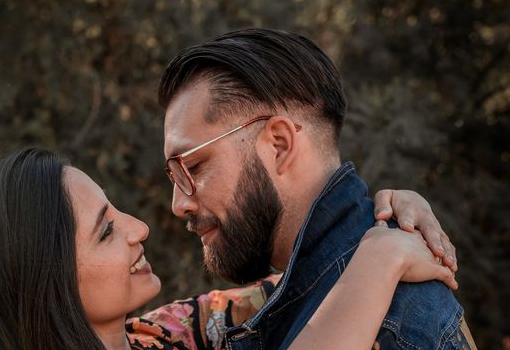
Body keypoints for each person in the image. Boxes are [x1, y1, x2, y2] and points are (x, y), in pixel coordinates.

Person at [0, 148, 459, 350]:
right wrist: (381, 259)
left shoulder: (166, 333)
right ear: (43, 280)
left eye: (116, 209)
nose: (140, 227)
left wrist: (389, 219)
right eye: (105, 231)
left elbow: (319, 283)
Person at [158, 28, 478, 349]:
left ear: (279, 146)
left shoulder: (391, 322)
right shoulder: (320, 286)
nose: (178, 204)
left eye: (192, 166)